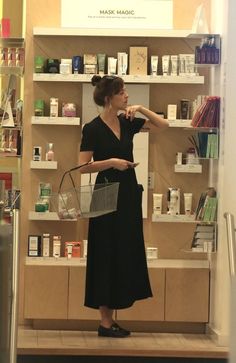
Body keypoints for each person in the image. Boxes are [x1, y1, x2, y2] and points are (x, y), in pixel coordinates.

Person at [78, 75, 169, 338]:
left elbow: (163, 125)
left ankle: (111, 319)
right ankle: (105, 322)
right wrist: (111, 162)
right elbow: (83, 166)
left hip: (128, 191)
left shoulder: (128, 122)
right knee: (104, 250)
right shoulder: (92, 128)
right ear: (110, 98)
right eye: (123, 92)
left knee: (125, 248)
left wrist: (140, 109)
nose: (127, 96)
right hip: (105, 190)